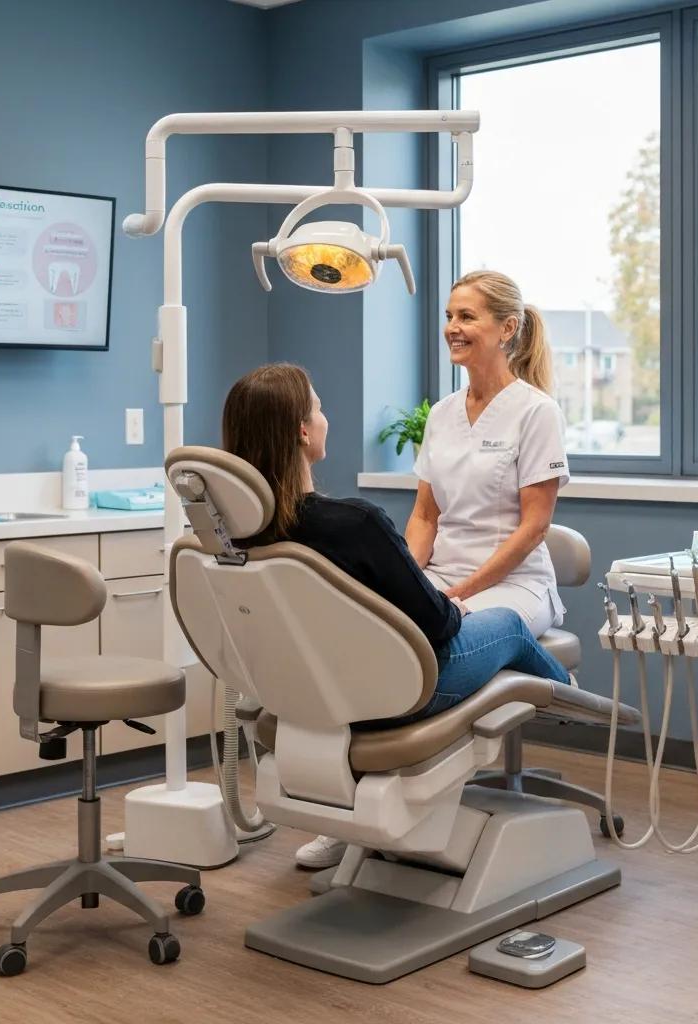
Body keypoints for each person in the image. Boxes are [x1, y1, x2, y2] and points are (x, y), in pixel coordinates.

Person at [221, 362, 570, 869]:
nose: (325, 416)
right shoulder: (356, 524)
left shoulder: (242, 538)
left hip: (317, 692)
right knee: (511, 626)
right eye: (318, 407)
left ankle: (349, 829)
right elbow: (441, 628)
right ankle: (567, 697)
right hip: (405, 691)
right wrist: (442, 599)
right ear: (301, 430)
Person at [407, 270, 570, 638]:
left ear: (507, 328)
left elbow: (534, 528)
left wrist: (459, 595)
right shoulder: (442, 413)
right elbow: (425, 516)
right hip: (441, 577)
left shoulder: (536, 412)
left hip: (514, 586)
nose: (452, 327)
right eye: (449, 317)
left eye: (466, 316)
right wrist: (409, 582)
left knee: (447, 639)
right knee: (375, 628)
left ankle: (553, 685)